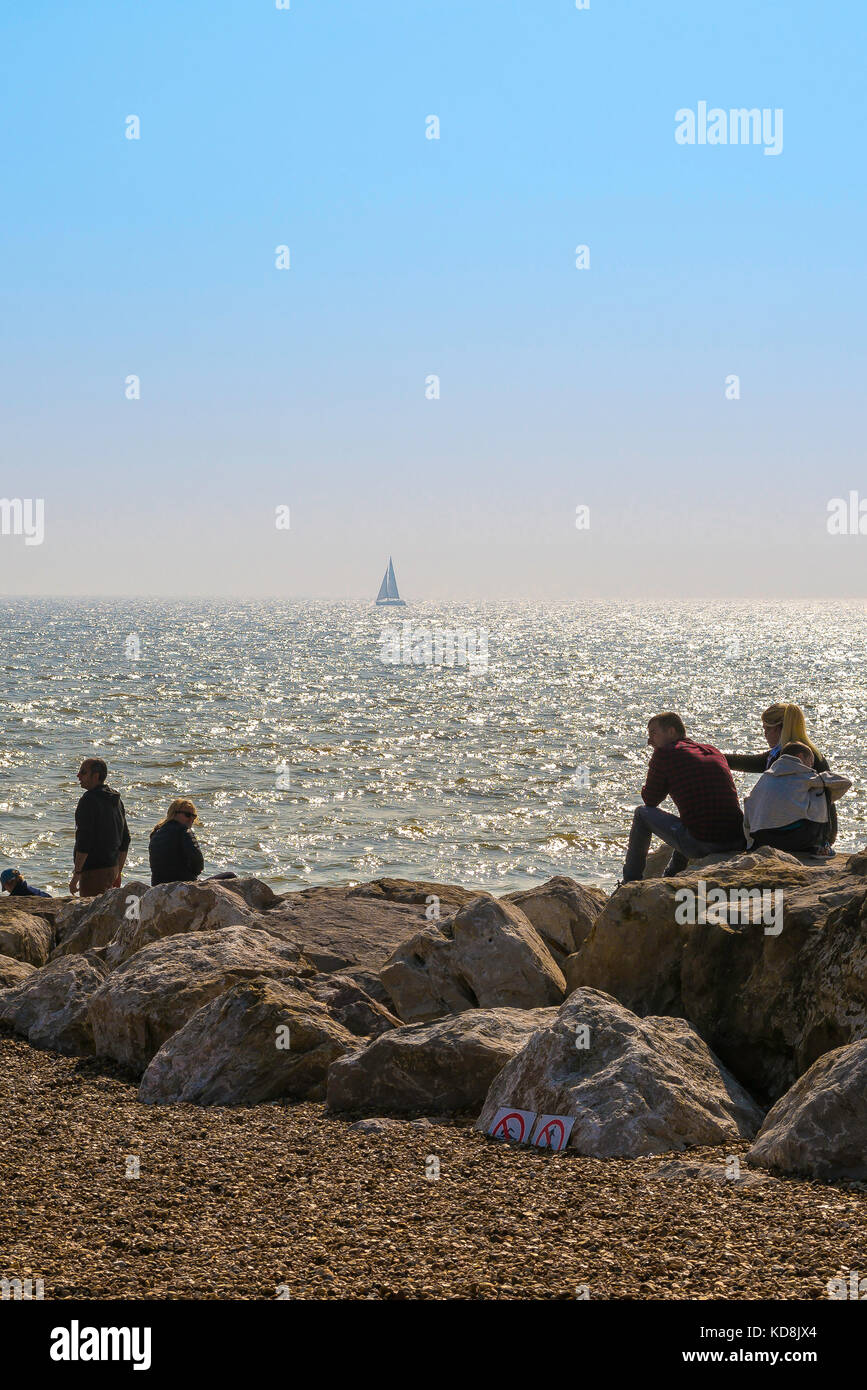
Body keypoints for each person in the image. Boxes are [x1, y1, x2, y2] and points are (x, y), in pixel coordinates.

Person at [622, 712, 746, 882]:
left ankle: (630, 882)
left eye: (653, 733)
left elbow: (650, 799)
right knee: (692, 817)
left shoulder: (665, 753)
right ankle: (672, 875)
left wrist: (655, 761)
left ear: (671, 732)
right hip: (737, 840)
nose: (649, 740)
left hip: (705, 844)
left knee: (641, 813)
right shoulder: (712, 750)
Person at [724, 702, 838, 845]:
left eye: (767, 729)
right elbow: (748, 762)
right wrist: (714, 755)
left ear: (780, 730)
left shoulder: (788, 759)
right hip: (814, 831)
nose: (764, 734)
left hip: (801, 833)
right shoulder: (806, 752)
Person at [743, 742, 851, 854]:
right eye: (811, 762)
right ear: (800, 757)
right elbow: (845, 783)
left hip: (762, 839)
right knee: (822, 790)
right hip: (796, 839)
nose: (811, 767)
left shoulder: (765, 778)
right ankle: (822, 846)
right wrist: (821, 781)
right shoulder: (803, 774)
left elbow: (749, 807)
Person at [70, 758, 131, 898]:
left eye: (83, 772)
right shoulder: (115, 798)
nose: (78, 776)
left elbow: (84, 839)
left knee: (91, 913)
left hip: (94, 871)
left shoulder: (88, 800)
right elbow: (125, 839)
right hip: (112, 867)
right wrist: (118, 871)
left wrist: (77, 874)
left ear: (96, 776)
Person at [148, 798, 205, 886]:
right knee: (229, 876)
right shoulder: (184, 831)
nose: (191, 819)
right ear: (174, 814)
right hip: (182, 885)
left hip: (158, 885)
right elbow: (198, 864)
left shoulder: (156, 833)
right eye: (187, 815)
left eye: (194, 816)